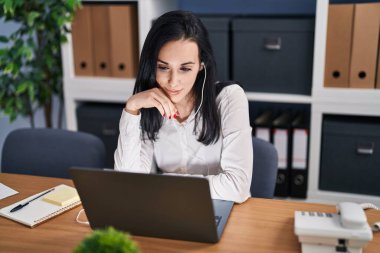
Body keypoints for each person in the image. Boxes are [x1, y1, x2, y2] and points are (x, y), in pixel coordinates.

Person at [114, 10, 253, 203]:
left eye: (185, 68)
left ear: (201, 65)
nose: (173, 82)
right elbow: (128, 181)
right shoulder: (149, 105)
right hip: (168, 207)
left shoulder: (229, 98)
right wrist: (132, 107)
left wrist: (161, 184)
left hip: (219, 209)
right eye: (163, 67)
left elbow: (237, 187)